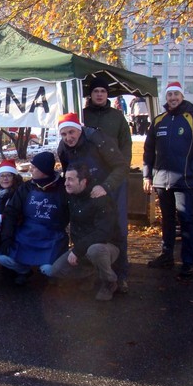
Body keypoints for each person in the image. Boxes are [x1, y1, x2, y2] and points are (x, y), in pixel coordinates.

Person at [143, 81, 193, 278]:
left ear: (182, 96)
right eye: (169, 94)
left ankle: (187, 261)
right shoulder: (159, 120)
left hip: (184, 180)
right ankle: (166, 256)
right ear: (166, 97)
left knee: (186, 219)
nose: (172, 98)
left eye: (176, 94)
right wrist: (147, 175)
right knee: (167, 219)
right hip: (161, 180)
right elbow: (149, 150)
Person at [56, 112, 129, 291]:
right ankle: (91, 272)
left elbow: (121, 166)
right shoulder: (63, 148)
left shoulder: (98, 140)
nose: (68, 137)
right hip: (84, 194)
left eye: (71, 132)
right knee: (84, 230)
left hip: (107, 189)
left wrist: (106, 186)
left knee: (117, 230)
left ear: (79, 129)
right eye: (64, 134)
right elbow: (68, 171)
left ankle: (120, 276)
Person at [81, 77, 132, 293]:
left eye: (103, 91)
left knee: (118, 228)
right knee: (91, 226)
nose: (100, 94)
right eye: (96, 91)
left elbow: (126, 148)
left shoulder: (117, 117)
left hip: (114, 180)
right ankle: (96, 274)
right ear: (91, 94)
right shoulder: (83, 116)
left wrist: (118, 174)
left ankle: (121, 274)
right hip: (89, 180)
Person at [48, 164, 122, 301]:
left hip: (106, 246)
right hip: (81, 247)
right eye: (65, 179)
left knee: (95, 250)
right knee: (55, 271)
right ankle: (89, 274)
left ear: (83, 181)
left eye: (70, 179)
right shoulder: (71, 195)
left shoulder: (100, 198)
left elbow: (103, 233)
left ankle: (109, 282)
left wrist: (77, 251)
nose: (66, 183)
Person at [0, 151, 69, 285]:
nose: (31, 170)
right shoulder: (26, 188)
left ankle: (49, 272)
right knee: (2, 258)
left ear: (44, 170)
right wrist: (6, 237)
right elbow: (11, 212)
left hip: (51, 237)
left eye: (34, 167)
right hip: (26, 235)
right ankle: (23, 270)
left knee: (49, 269)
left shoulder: (63, 188)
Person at [0, 159, 23, 229]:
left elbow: (19, 217)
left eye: (8, 175)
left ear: (14, 177)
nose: (5, 179)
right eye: (2, 176)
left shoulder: (19, 194)